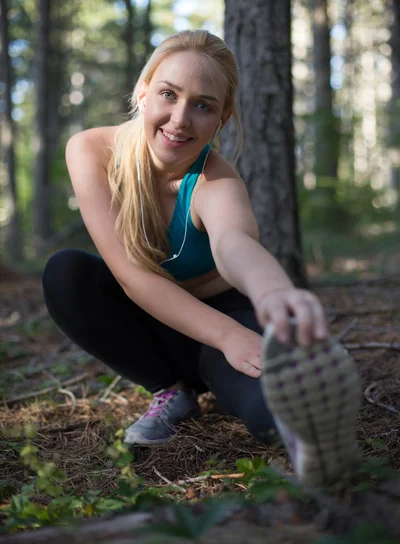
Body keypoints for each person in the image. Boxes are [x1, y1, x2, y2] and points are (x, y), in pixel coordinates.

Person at [42, 30, 361, 486]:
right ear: (143, 90)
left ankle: (318, 419)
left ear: (222, 119)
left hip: (220, 318)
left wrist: (273, 295)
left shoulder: (217, 183)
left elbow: (236, 246)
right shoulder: (92, 151)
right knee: (67, 273)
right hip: (159, 327)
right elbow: (132, 279)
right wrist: (232, 338)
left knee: (272, 413)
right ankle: (171, 392)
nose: (180, 119)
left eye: (203, 105)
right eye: (169, 95)